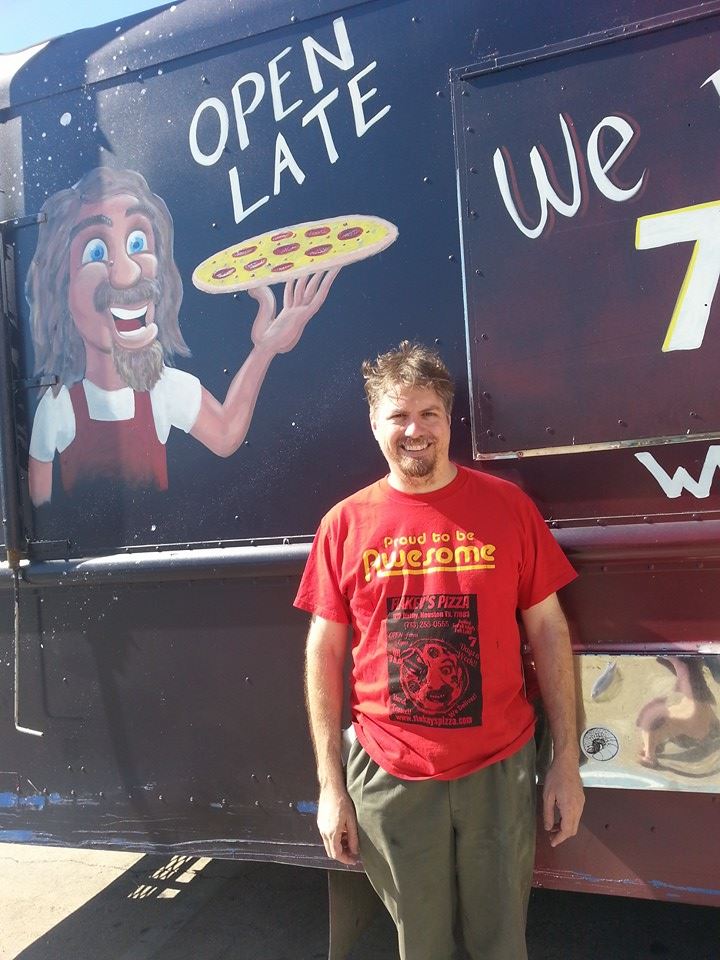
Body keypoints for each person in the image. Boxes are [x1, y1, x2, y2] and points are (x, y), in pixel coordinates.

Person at [294, 341, 584, 960]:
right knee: (419, 946)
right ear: (374, 424)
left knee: (500, 943)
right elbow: (323, 655)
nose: (415, 430)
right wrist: (330, 786)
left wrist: (566, 761)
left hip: (498, 768)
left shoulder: (508, 508)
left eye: (429, 413)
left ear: (449, 421)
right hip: (389, 772)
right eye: (398, 415)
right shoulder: (344, 525)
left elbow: (549, 631)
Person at [26, 166, 338, 504]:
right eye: (96, 252)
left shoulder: (164, 389)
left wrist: (265, 349)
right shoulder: (57, 408)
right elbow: (40, 506)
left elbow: (225, 435)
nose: (128, 274)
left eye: (137, 242)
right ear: (62, 289)